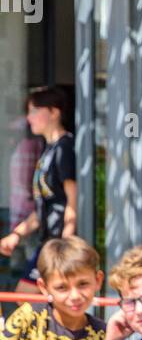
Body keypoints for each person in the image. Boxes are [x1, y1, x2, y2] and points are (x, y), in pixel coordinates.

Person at [0, 85, 77, 286]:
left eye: (34, 111)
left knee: (26, 296)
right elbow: (45, 205)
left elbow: (72, 202)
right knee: (31, 297)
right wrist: (16, 234)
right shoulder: (48, 150)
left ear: (54, 112)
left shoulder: (65, 147)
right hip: (48, 242)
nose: (29, 118)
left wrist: (66, 248)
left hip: (58, 245)